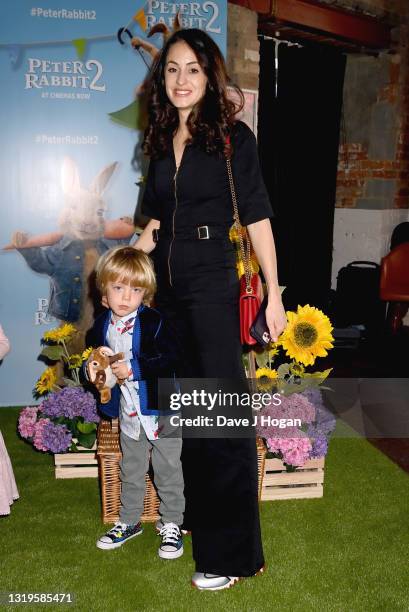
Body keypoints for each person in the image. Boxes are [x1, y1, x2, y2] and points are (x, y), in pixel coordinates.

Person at [135, 28, 288, 590]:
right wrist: (124, 263)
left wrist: (275, 293)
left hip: (213, 282)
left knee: (221, 421)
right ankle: (204, 524)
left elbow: (258, 218)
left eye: (193, 69)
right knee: (191, 419)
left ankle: (230, 555)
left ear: (210, 75)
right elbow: (151, 222)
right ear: (162, 78)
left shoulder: (232, 139)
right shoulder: (155, 141)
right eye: (172, 69)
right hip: (167, 289)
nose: (181, 80)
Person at [87, 246, 185, 559]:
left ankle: (171, 523)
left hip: (162, 409)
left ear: (146, 292)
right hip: (130, 414)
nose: (126, 297)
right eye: (118, 287)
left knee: (168, 469)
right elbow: (95, 358)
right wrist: (91, 370)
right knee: (131, 469)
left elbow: (173, 357)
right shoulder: (101, 325)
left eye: (135, 289)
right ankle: (129, 521)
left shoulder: (156, 321)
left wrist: (135, 369)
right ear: (104, 289)